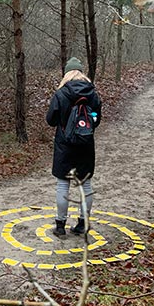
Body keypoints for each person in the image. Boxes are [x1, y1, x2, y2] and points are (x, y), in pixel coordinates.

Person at [45, 57, 102, 236]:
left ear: (67, 73)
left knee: (63, 184)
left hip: (64, 146)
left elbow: (50, 120)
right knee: (85, 185)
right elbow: (96, 120)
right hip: (85, 144)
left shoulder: (61, 94)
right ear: (81, 72)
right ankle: (83, 224)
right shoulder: (92, 94)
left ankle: (60, 225)